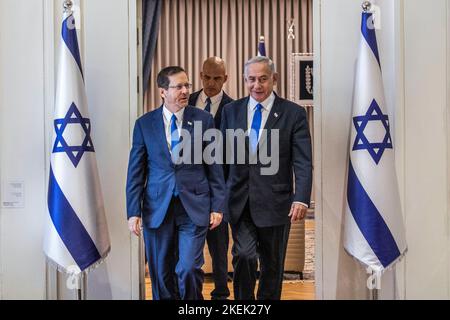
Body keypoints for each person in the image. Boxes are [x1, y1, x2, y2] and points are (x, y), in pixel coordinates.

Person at [126, 66, 226, 300]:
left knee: (188, 268)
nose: (184, 91)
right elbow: (136, 172)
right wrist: (133, 211)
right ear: (162, 91)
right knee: (161, 274)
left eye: (187, 86)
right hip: (156, 208)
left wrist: (218, 205)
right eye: (178, 86)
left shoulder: (204, 119)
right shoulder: (144, 124)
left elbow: (214, 167)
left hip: (194, 206)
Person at [221, 56, 312, 300]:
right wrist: (218, 197)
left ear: (274, 78)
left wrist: (301, 198)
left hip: (276, 202)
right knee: (244, 255)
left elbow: (302, 161)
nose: (257, 85)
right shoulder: (231, 111)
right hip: (240, 202)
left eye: (263, 79)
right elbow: (220, 159)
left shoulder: (293, 114)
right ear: (244, 80)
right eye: (251, 80)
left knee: (272, 266)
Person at [188, 57, 233, 300]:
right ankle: (192, 295)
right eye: (207, 77)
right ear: (201, 75)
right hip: (188, 188)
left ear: (225, 79)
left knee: (218, 245)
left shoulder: (232, 108)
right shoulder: (187, 101)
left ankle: (221, 292)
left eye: (217, 78)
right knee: (189, 247)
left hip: (218, 188)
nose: (211, 83)